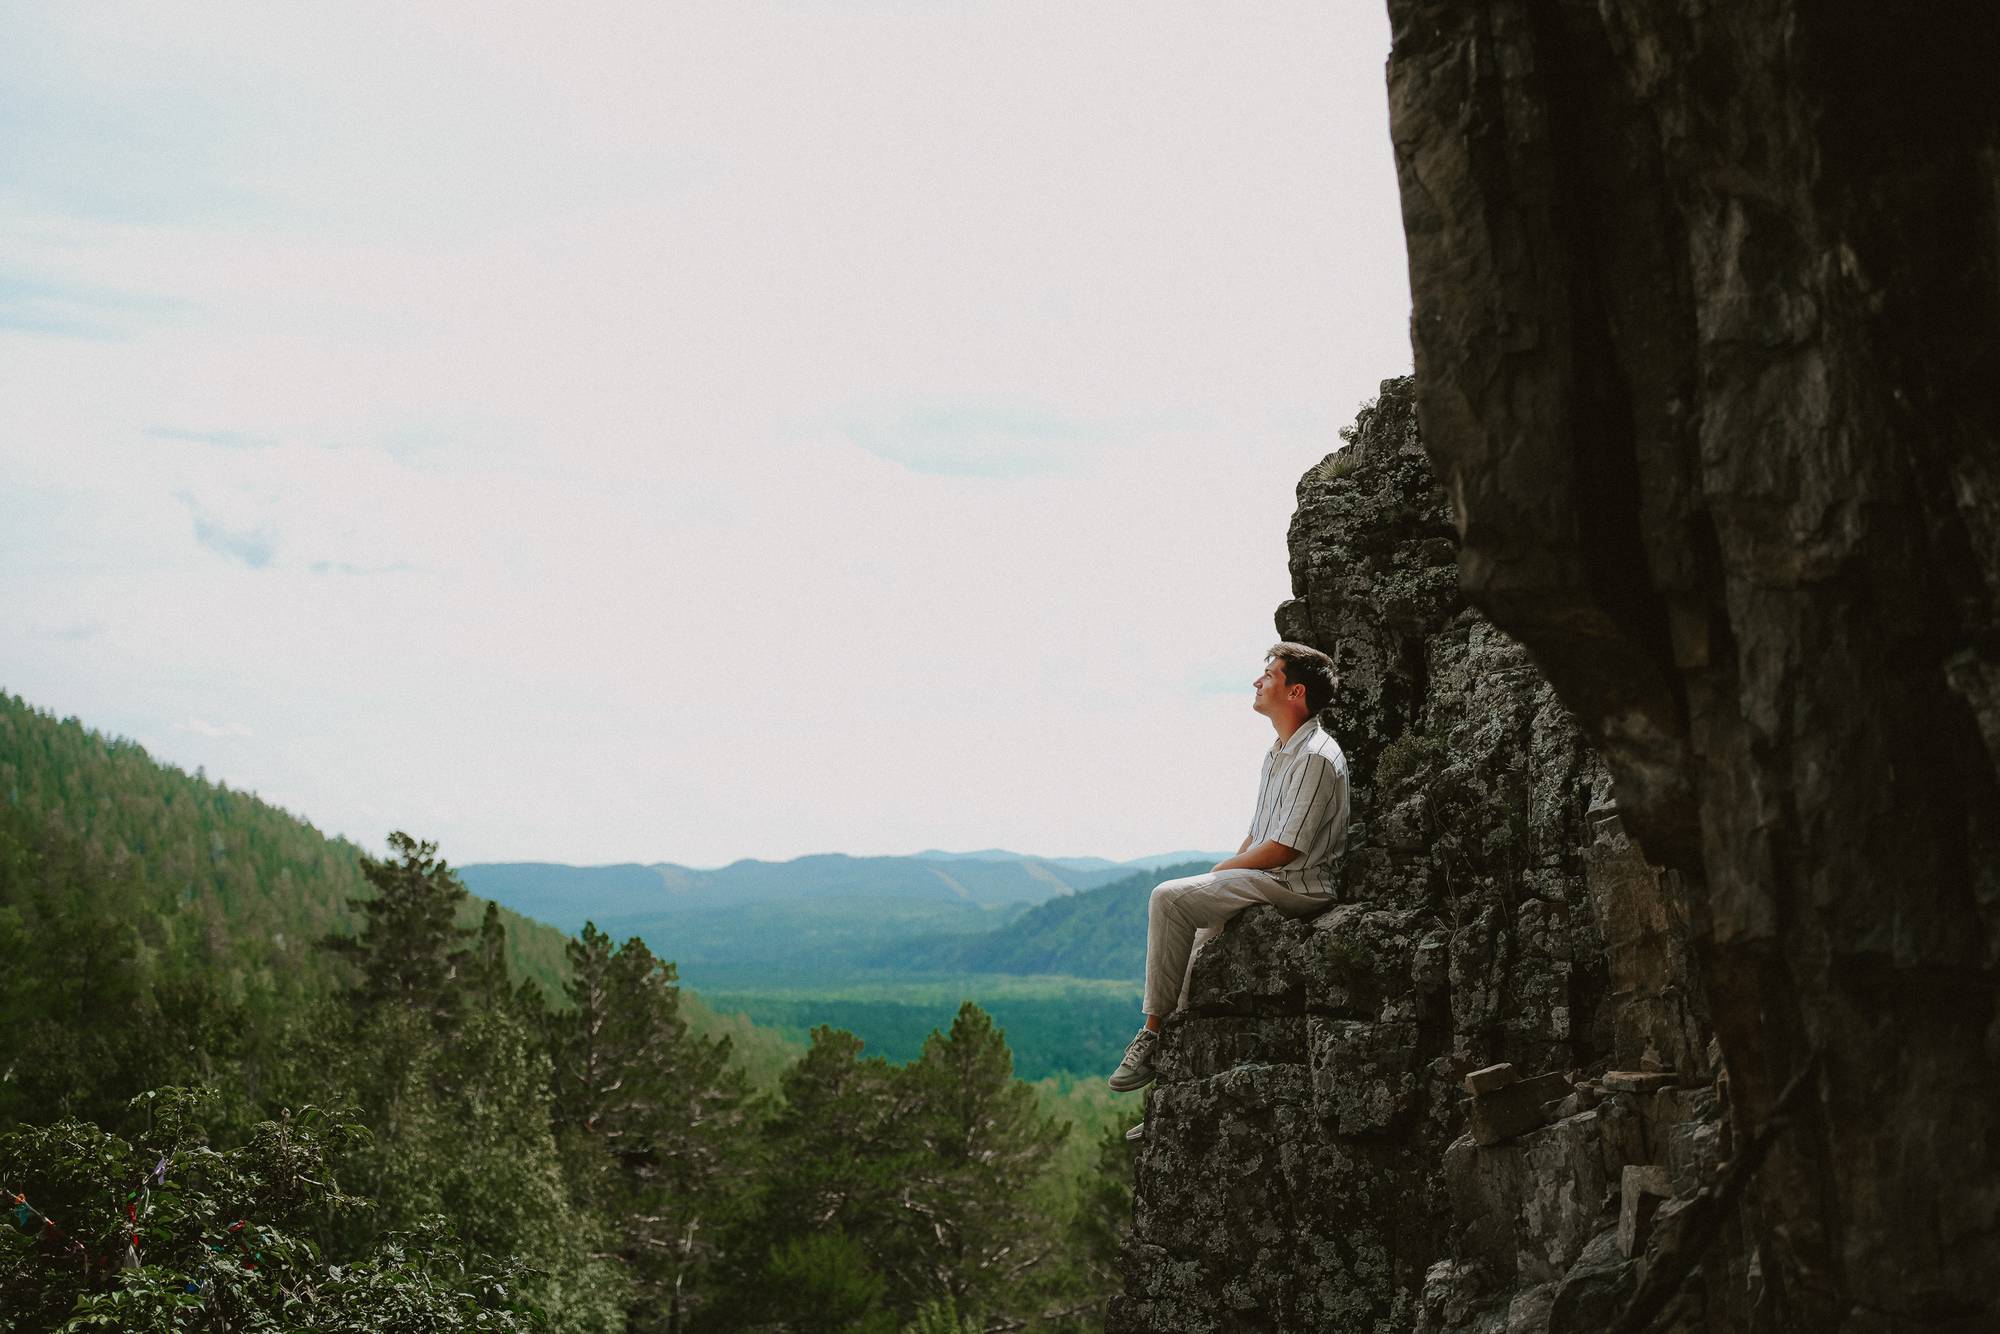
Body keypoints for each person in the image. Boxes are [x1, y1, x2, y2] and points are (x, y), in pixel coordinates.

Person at [1109, 642, 1350, 1123]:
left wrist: (1224, 871)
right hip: (1270, 875)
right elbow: (1259, 832)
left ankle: (1151, 1034)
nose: (1257, 682)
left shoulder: (1317, 757)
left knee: (1168, 899)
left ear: (1295, 691)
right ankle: (1170, 1097)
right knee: (1196, 944)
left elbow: (1285, 848)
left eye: (1269, 675)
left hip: (1296, 886)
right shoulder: (1281, 751)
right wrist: (1233, 866)